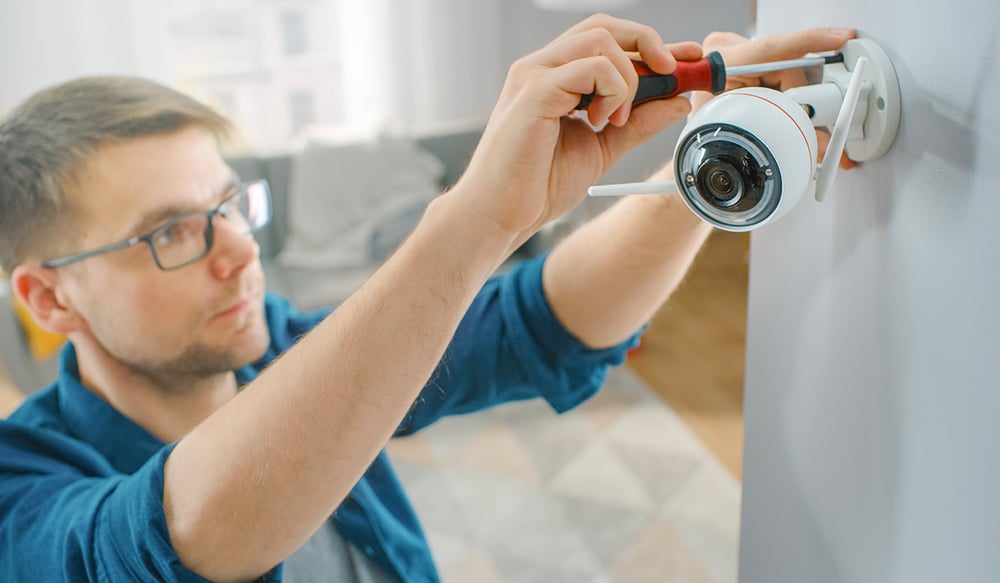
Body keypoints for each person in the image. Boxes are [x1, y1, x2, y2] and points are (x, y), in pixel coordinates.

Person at [0, 15, 854, 583]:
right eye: (171, 233)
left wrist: (710, 152)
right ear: (49, 297)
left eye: (231, 204)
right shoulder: (20, 489)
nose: (238, 250)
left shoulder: (286, 351)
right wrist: (477, 218)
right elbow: (169, 539)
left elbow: (540, 322)